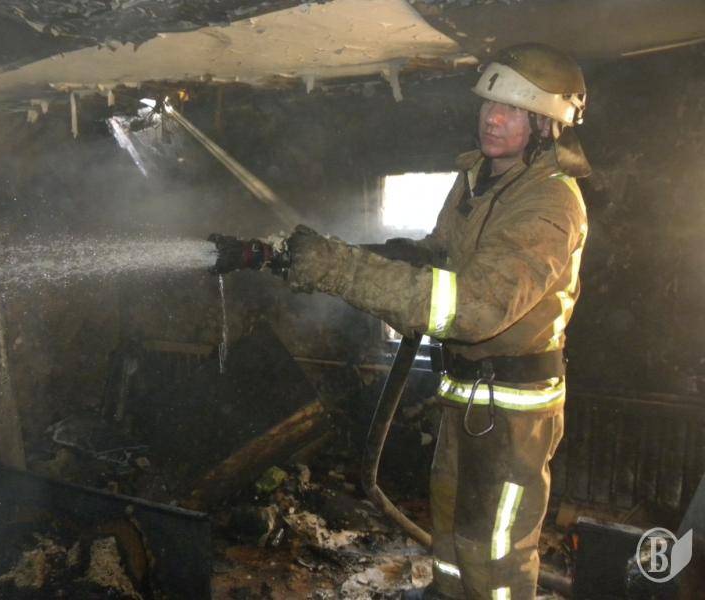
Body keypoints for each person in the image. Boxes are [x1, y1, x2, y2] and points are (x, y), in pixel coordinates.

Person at [211, 43, 589, 599]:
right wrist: (306, 258)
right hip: (466, 395)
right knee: (452, 537)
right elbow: (440, 256)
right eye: (489, 104)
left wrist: (338, 269)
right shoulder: (477, 178)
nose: (492, 118)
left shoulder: (550, 203)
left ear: (547, 124)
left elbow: (474, 309)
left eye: (513, 109)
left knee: (494, 552)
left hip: (513, 411)